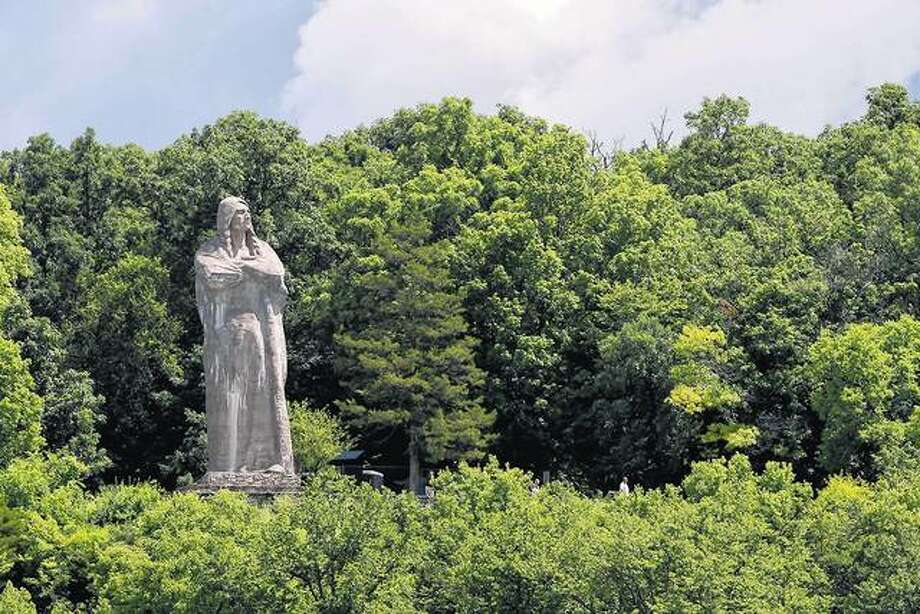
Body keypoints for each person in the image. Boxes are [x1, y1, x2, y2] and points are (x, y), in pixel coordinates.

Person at [195, 196, 294, 474]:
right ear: (226, 218)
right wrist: (249, 271)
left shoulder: (261, 249)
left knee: (264, 390)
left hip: (261, 336)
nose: (246, 216)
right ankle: (231, 464)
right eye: (239, 212)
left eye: (247, 212)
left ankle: (265, 460)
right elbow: (212, 274)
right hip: (226, 342)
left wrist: (247, 269)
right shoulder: (210, 250)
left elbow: (275, 274)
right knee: (231, 400)